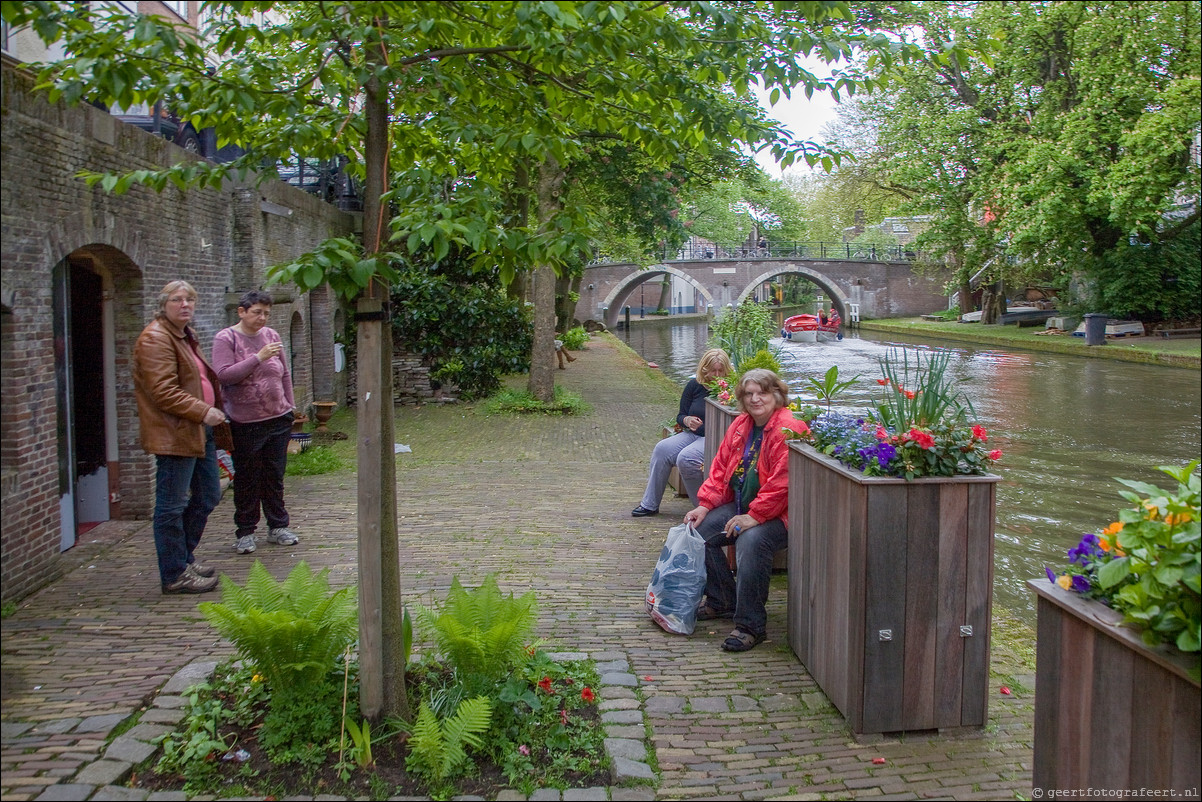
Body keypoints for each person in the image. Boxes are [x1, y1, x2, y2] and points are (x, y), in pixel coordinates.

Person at [684, 368, 793, 652]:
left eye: (762, 392)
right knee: (698, 533)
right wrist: (705, 505)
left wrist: (754, 517)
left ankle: (750, 625)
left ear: (777, 395)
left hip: (782, 515)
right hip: (745, 505)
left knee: (751, 540)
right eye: (749, 394)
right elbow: (720, 470)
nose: (756, 399)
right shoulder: (742, 425)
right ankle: (723, 600)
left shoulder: (788, 428)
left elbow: (783, 483)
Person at [133, 280, 227, 594]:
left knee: (208, 495)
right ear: (164, 304)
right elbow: (162, 392)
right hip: (175, 433)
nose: (185, 304)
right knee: (171, 506)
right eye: (177, 299)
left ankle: (183, 558)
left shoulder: (184, 335)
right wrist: (203, 410)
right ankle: (174, 574)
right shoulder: (156, 338)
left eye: (190, 299)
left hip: (199, 429)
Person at [212, 290, 300, 555]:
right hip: (245, 421)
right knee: (248, 477)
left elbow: (284, 373)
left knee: (274, 474)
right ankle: (246, 531)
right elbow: (225, 375)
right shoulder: (226, 338)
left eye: (266, 313)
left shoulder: (272, 335)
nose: (262, 318)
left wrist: (290, 406)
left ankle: (278, 526)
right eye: (257, 312)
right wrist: (258, 357)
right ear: (241, 311)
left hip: (278, 418)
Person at [631, 348, 733, 517]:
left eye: (720, 370)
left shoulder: (730, 389)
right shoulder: (694, 385)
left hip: (714, 436)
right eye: (712, 370)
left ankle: (702, 508)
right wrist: (687, 421)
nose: (716, 375)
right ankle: (649, 504)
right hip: (692, 434)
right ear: (704, 369)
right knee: (662, 449)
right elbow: (681, 415)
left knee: (686, 458)